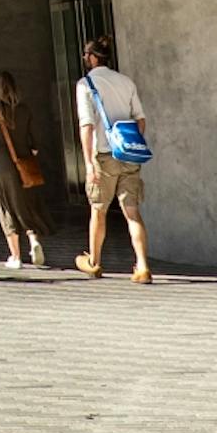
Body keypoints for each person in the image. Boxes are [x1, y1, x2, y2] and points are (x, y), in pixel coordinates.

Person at [73, 36, 151, 283]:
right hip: (128, 155)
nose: (85, 59)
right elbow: (140, 120)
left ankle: (94, 262)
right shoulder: (126, 82)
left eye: (86, 55)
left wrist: (88, 163)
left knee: (99, 210)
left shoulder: (86, 85)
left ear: (93, 57)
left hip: (104, 156)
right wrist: (129, 144)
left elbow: (86, 126)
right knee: (132, 212)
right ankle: (142, 266)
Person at [0, 69, 47, 269]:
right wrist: (27, 159)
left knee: (6, 206)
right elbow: (35, 143)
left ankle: (15, 257)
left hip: (2, 163)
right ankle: (33, 239)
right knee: (26, 204)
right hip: (24, 159)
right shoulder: (24, 110)